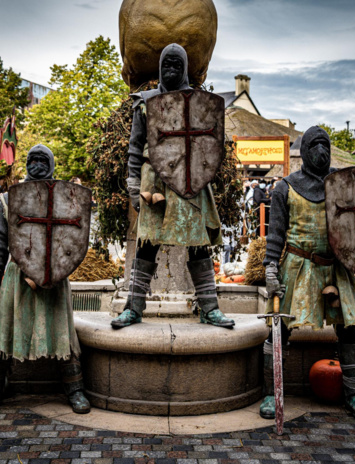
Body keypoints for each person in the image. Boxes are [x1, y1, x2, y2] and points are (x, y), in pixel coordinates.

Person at [111, 43, 234, 329]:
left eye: (177, 66)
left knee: (199, 245)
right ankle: (134, 308)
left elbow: (212, 146)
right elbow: (135, 147)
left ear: (185, 70)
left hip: (191, 180)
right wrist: (132, 185)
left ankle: (209, 308)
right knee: (146, 244)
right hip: (154, 180)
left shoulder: (200, 104)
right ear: (159, 68)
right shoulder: (145, 103)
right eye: (167, 65)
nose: (171, 70)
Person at [263, 126, 355, 421]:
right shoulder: (286, 186)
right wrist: (270, 267)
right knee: (279, 329)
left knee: (349, 331)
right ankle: (272, 393)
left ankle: (354, 394)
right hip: (298, 265)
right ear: (305, 150)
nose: (321, 151)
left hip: (336, 267)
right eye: (315, 145)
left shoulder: (343, 184)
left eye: (325, 144)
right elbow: (275, 234)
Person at [0, 144, 90, 415]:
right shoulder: (9, 198)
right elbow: (0, 241)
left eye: (43, 160)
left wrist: (58, 270)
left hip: (55, 275)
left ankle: (74, 388)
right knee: (4, 330)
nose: (37, 164)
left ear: (51, 164)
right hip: (18, 276)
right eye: (33, 159)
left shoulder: (66, 198)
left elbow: (73, 242)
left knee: (62, 333)